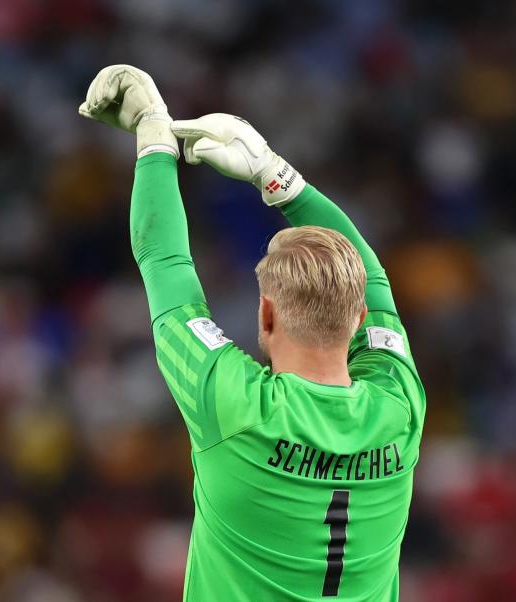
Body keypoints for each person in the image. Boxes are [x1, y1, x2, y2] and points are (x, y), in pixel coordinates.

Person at [79, 65, 426, 601]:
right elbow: (373, 279)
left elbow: (163, 260)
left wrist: (153, 135)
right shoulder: (398, 407)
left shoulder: (235, 404)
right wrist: (277, 175)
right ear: (358, 321)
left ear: (266, 315)